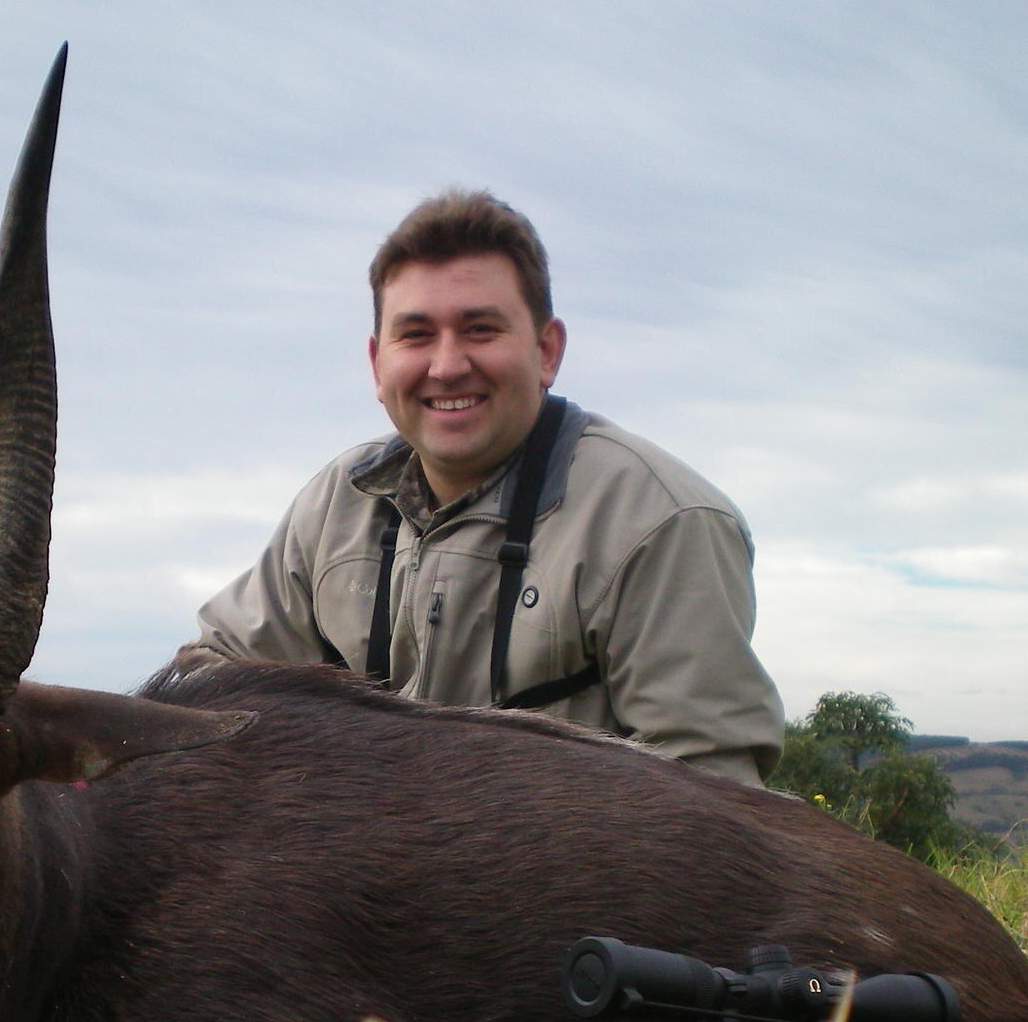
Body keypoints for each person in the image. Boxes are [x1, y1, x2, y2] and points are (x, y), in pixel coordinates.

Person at [193, 190, 784, 786]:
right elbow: (211, 683)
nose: (447, 366)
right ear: (377, 364)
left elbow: (714, 799)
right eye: (416, 334)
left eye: (479, 329)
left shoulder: (662, 519)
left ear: (546, 351)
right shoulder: (337, 503)